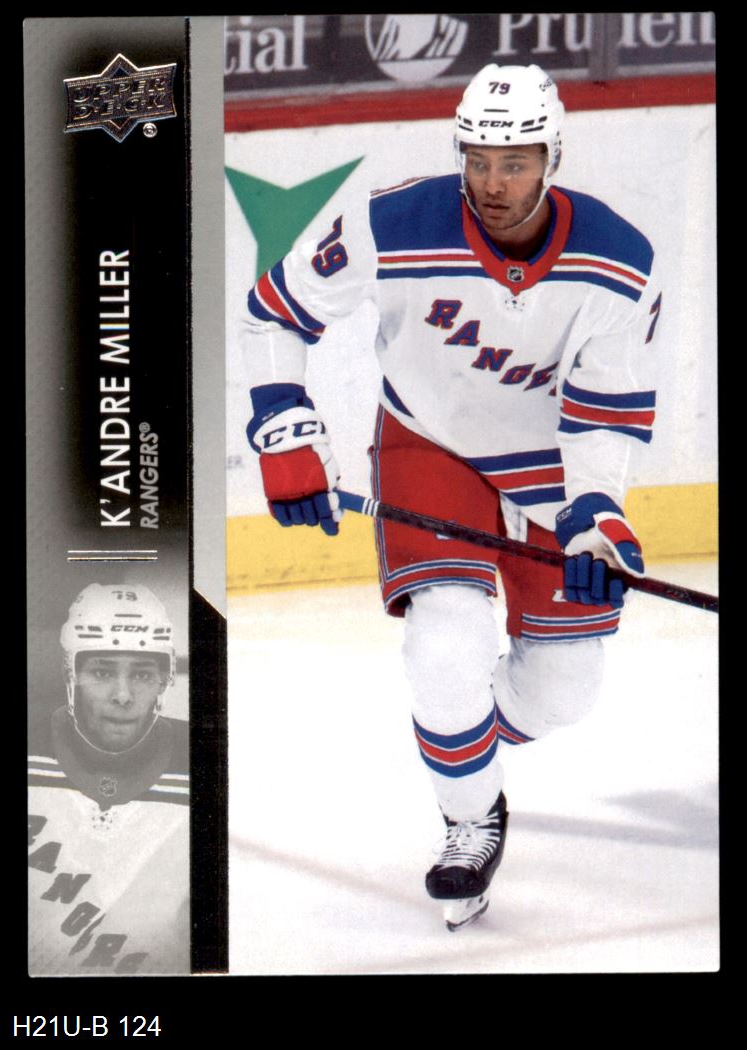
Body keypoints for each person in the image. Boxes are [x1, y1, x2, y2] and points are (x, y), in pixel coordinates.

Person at [242, 63, 660, 930]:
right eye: (476, 160)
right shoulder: (392, 222)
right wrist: (284, 428)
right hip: (432, 442)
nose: (491, 183)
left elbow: (603, 417)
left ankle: (455, 738)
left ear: (551, 157)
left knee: (564, 695)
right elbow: (274, 311)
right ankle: (470, 816)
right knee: (444, 648)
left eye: (513, 163)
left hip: (553, 467)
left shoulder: (618, 261)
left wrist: (597, 520)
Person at [28, 583, 190, 973]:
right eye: (102, 671)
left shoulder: (202, 759)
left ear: (163, 680)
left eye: (142, 673)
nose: (123, 695)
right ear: (71, 673)